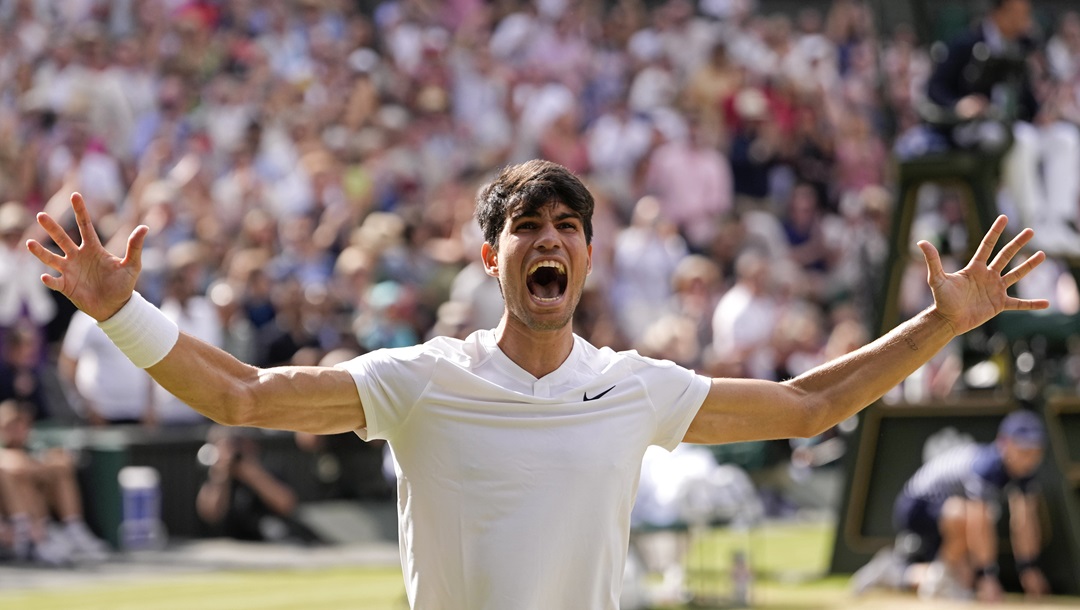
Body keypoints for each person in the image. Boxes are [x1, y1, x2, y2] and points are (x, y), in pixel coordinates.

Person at [25, 160, 1047, 609]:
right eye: (529, 225)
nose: (549, 240)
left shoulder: (636, 385)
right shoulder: (421, 379)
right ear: (489, 257)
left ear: (588, 258)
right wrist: (118, 308)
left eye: (568, 226)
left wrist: (942, 322)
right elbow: (243, 396)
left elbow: (810, 406)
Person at [920, 0, 1080, 255]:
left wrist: (1042, 115)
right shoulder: (966, 43)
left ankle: (1059, 222)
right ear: (1000, 12)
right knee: (1022, 138)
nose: (1026, 18)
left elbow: (1026, 103)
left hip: (1015, 130)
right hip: (971, 132)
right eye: (1020, 11)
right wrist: (960, 104)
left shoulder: (1021, 46)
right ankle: (1033, 226)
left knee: (1065, 138)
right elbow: (933, 91)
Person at [851, 409, 1051, 601]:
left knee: (961, 584)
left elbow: (1023, 522)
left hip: (948, 514)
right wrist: (987, 576)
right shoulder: (987, 465)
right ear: (1004, 443)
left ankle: (895, 572)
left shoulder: (1024, 473)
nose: (1031, 458)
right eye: (1024, 450)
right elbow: (978, 522)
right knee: (968, 516)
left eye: (1036, 451)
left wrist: (1029, 568)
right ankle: (929, 577)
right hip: (916, 507)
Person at [0, 399, 109, 565]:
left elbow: (63, 462)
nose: (17, 431)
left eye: (21, 425)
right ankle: (33, 537)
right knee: (19, 480)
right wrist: (38, 468)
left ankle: (73, 528)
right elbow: (15, 466)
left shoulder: (35, 446)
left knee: (58, 476)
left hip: (39, 514)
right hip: (10, 520)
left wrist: (38, 469)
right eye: (11, 426)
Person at [196, 426, 320, 545]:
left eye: (239, 443)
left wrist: (250, 472)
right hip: (231, 545)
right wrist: (222, 474)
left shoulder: (269, 467)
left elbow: (287, 504)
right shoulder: (217, 475)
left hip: (271, 542)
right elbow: (210, 514)